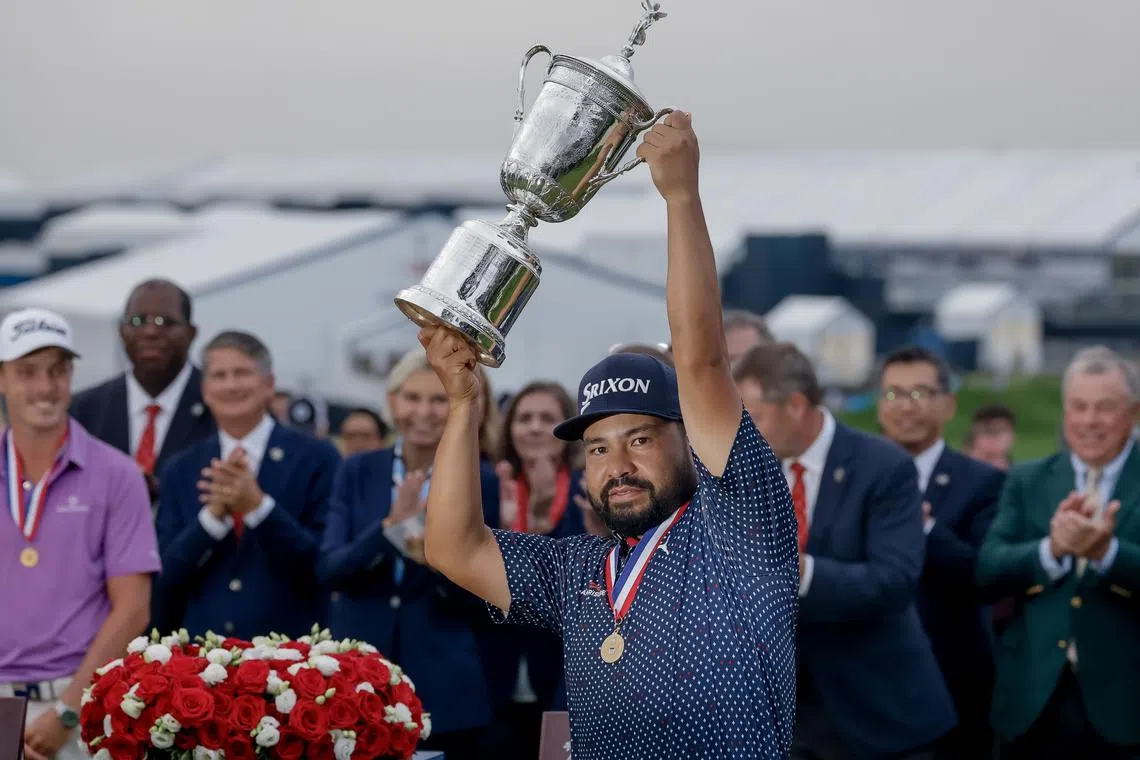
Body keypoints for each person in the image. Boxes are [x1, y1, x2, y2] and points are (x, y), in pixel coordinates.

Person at [418, 111, 799, 759]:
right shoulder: (577, 570)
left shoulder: (742, 527)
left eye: (640, 438)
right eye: (596, 447)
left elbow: (702, 362)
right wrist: (462, 406)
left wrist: (681, 198)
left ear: (691, 441)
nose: (616, 463)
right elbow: (455, 549)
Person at [734, 342, 957, 760]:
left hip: (880, 715)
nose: (746, 433)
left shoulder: (883, 466)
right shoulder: (752, 473)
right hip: (791, 719)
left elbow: (894, 581)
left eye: (755, 418)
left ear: (796, 405)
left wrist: (801, 573)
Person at [317, 346, 501, 759]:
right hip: (356, 680)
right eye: (413, 397)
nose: (424, 411)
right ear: (392, 402)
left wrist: (434, 563)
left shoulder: (479, 478)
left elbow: (485, 597)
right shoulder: (357, 469)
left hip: (442, 689)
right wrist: (389, 528)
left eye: (438, 399)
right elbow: (329, 569)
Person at [0, 308, 158, 760]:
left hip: (81, 704)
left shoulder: (117, 475)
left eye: (58, 371)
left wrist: (68, 712)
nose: (45, 387)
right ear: (2, 380)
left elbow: (133, 608)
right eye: (27, 372)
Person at [976, 346, 1140, 758]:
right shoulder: (1028, 479)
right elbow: (987, 571)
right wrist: (1053, 549)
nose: (1089, 421)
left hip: (1127, 708)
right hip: (1033, 705)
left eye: (1105, 408)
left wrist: (1108, 553)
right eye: (1079, 407)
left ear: (1133, 413)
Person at [155, 330, 341, 639]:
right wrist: (211, 520)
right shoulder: (181, 468)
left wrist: (258, 508)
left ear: (269, 385)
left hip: (295, 659)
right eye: (220, 375)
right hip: (203, 662)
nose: (231, 385)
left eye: (242, 373)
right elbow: (167, 576)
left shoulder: (317, 458)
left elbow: (324, 566)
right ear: (205, 390)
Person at [875, 346, 1006, 759]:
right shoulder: (854, 475)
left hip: (952, 687)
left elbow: (987, 575)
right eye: (894, 394)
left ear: (948, 405)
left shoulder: (983, 483)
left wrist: (926, 528)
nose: (905, 407)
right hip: (865, 687)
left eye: (920, 393)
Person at [482, 381, 586, 760]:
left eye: (548, 418)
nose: (536, 428)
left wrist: (545, 525)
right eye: (525, 418)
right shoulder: (489, 489)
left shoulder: (588, 489)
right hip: (495, 677)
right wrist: (505, 536)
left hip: (565, 677)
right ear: (509, 427)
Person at [69, 279, 215, 497]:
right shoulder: (83, 410)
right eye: (137, 321)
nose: (150, 332)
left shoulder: (222, 405)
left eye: (165, 322)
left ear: (191, 332)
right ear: (121, 331)